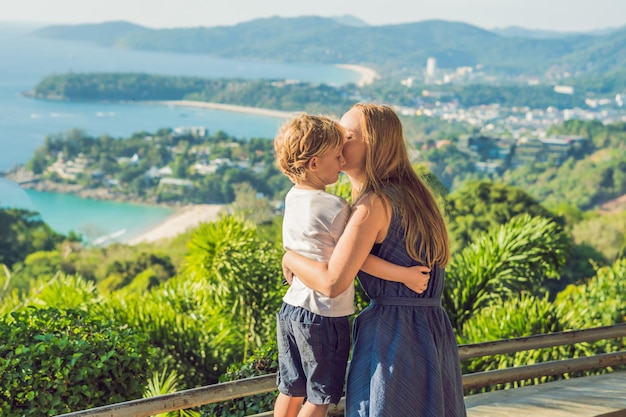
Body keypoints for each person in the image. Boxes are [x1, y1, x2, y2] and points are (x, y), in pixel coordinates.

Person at [282, 104, 467, 417]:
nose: (338, 143)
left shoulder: (374, 205)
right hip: (431, 334)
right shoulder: (415, 196)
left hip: (392, 338)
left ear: (374, 144)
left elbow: (332, 281)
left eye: (348, 136)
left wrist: (291, 257)